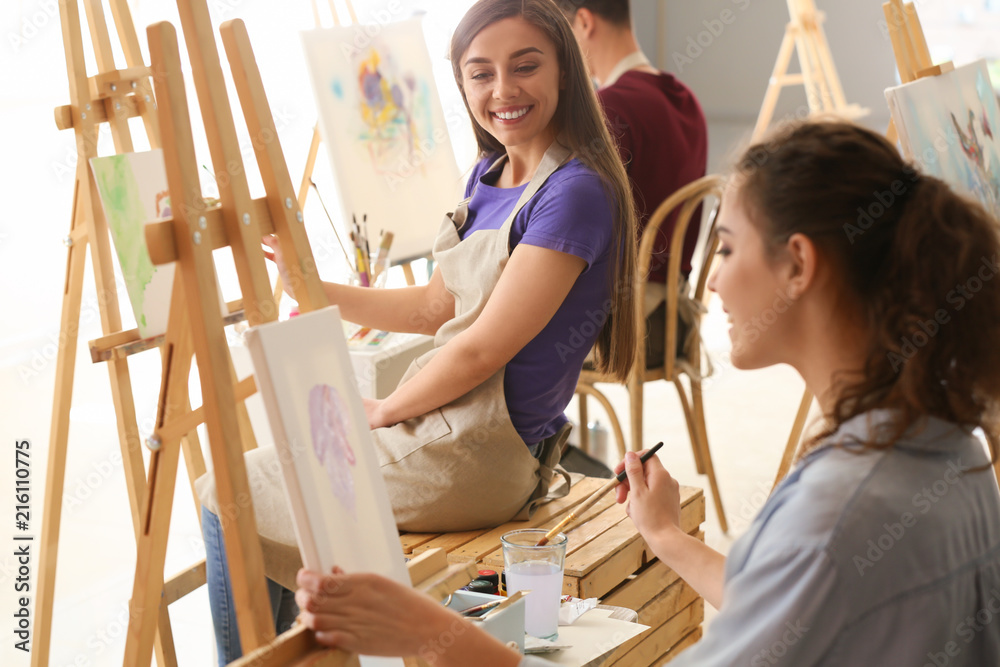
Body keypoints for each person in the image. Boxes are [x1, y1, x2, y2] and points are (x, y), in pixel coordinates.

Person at [293, 120, 1000, 666]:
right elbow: (800, 609)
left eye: (724, 246)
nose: (712, 279)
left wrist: (428, 632)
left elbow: (816, 563)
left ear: (798, 264)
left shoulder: (841, 508)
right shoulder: (943, 444)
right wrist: (663, 535)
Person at [195, 0, 638, 662]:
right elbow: (436, 307)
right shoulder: (491, 173)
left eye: (525, 67)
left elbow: (484, 345)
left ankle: (248, 658)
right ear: (460, 84)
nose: (503, 91)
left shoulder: (572, 192)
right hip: (452, 427)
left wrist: (382, 410)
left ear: (565, 71)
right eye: (480, 73)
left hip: (481, 453)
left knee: (223, 487)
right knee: (268, 480)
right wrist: (310, 287)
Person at [563, 0, 707, 367]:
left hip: (629, 331)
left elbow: (572, 228)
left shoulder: (609, 107)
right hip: (675, 321)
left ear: (583, 22)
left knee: (504, 342)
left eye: (559, 33)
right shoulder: (684, 97)